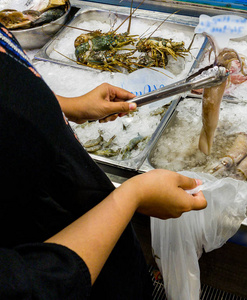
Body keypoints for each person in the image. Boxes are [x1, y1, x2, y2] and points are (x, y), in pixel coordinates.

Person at [0, 22, 207, 299]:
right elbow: (31, 285)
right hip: (69, 265)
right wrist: (133, 196)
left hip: (93, 222)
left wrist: (64, 105)